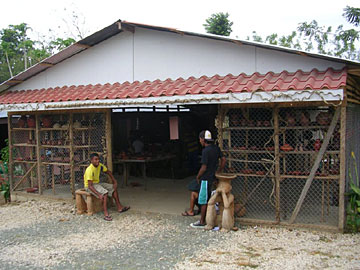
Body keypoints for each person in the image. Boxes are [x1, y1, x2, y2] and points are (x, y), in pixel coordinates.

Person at [190, 130, 226, 228]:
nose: (200, 141)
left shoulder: (205, 151)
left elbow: (204, 167)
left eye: (200, 139)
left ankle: (202, 221)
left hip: (205, 178)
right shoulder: (216, 148)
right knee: (210, 198)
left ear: (203, 139)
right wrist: (219, 170)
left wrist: (198, 176)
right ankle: (209, 217)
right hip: (213, 177)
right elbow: (223, 159)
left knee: (203, 200)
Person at [84, 153, 130, 221]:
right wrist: (99, 194)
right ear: (91, 161)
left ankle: (119, 207)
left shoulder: (100, 166)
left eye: (98, 159)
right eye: (95, 159)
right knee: (104, 193)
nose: (98, 161)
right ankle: (106, 214)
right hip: (89, 186)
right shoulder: (89, 170)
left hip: (97, 183)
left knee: (113, 187)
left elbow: (108, 172)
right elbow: (90, 186)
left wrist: (114, 181)